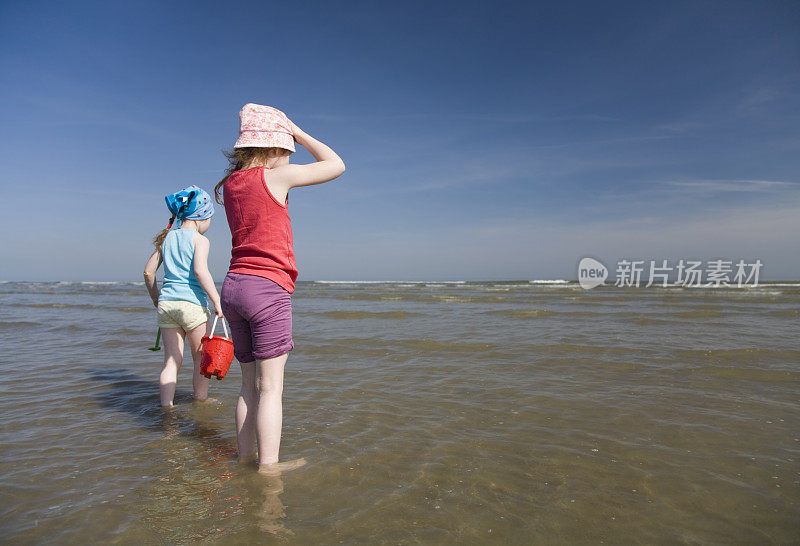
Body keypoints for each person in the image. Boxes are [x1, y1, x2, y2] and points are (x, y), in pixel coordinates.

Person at [214, 103, 345, 475]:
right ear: (272, 150)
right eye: (286, 152)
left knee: (248, 387)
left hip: (234, 286)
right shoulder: (273, 178)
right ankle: (268, 467)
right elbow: (336, 165)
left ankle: (243, 457)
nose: (289, 159)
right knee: (272, 389)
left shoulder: (232, 184)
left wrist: (283, 137)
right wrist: (299, 132)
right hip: (266, 288)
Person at [143, 185, 224, 407]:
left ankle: (166, 407)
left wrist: (155, 298)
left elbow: (148, 272)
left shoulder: (166, 239)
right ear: (201, 217)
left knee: (171, 361)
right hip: (192, 307)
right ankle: (200, 401)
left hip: (167, 305)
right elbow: (200, 271)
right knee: (201, 360)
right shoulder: (200, 240)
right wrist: (217, 301)